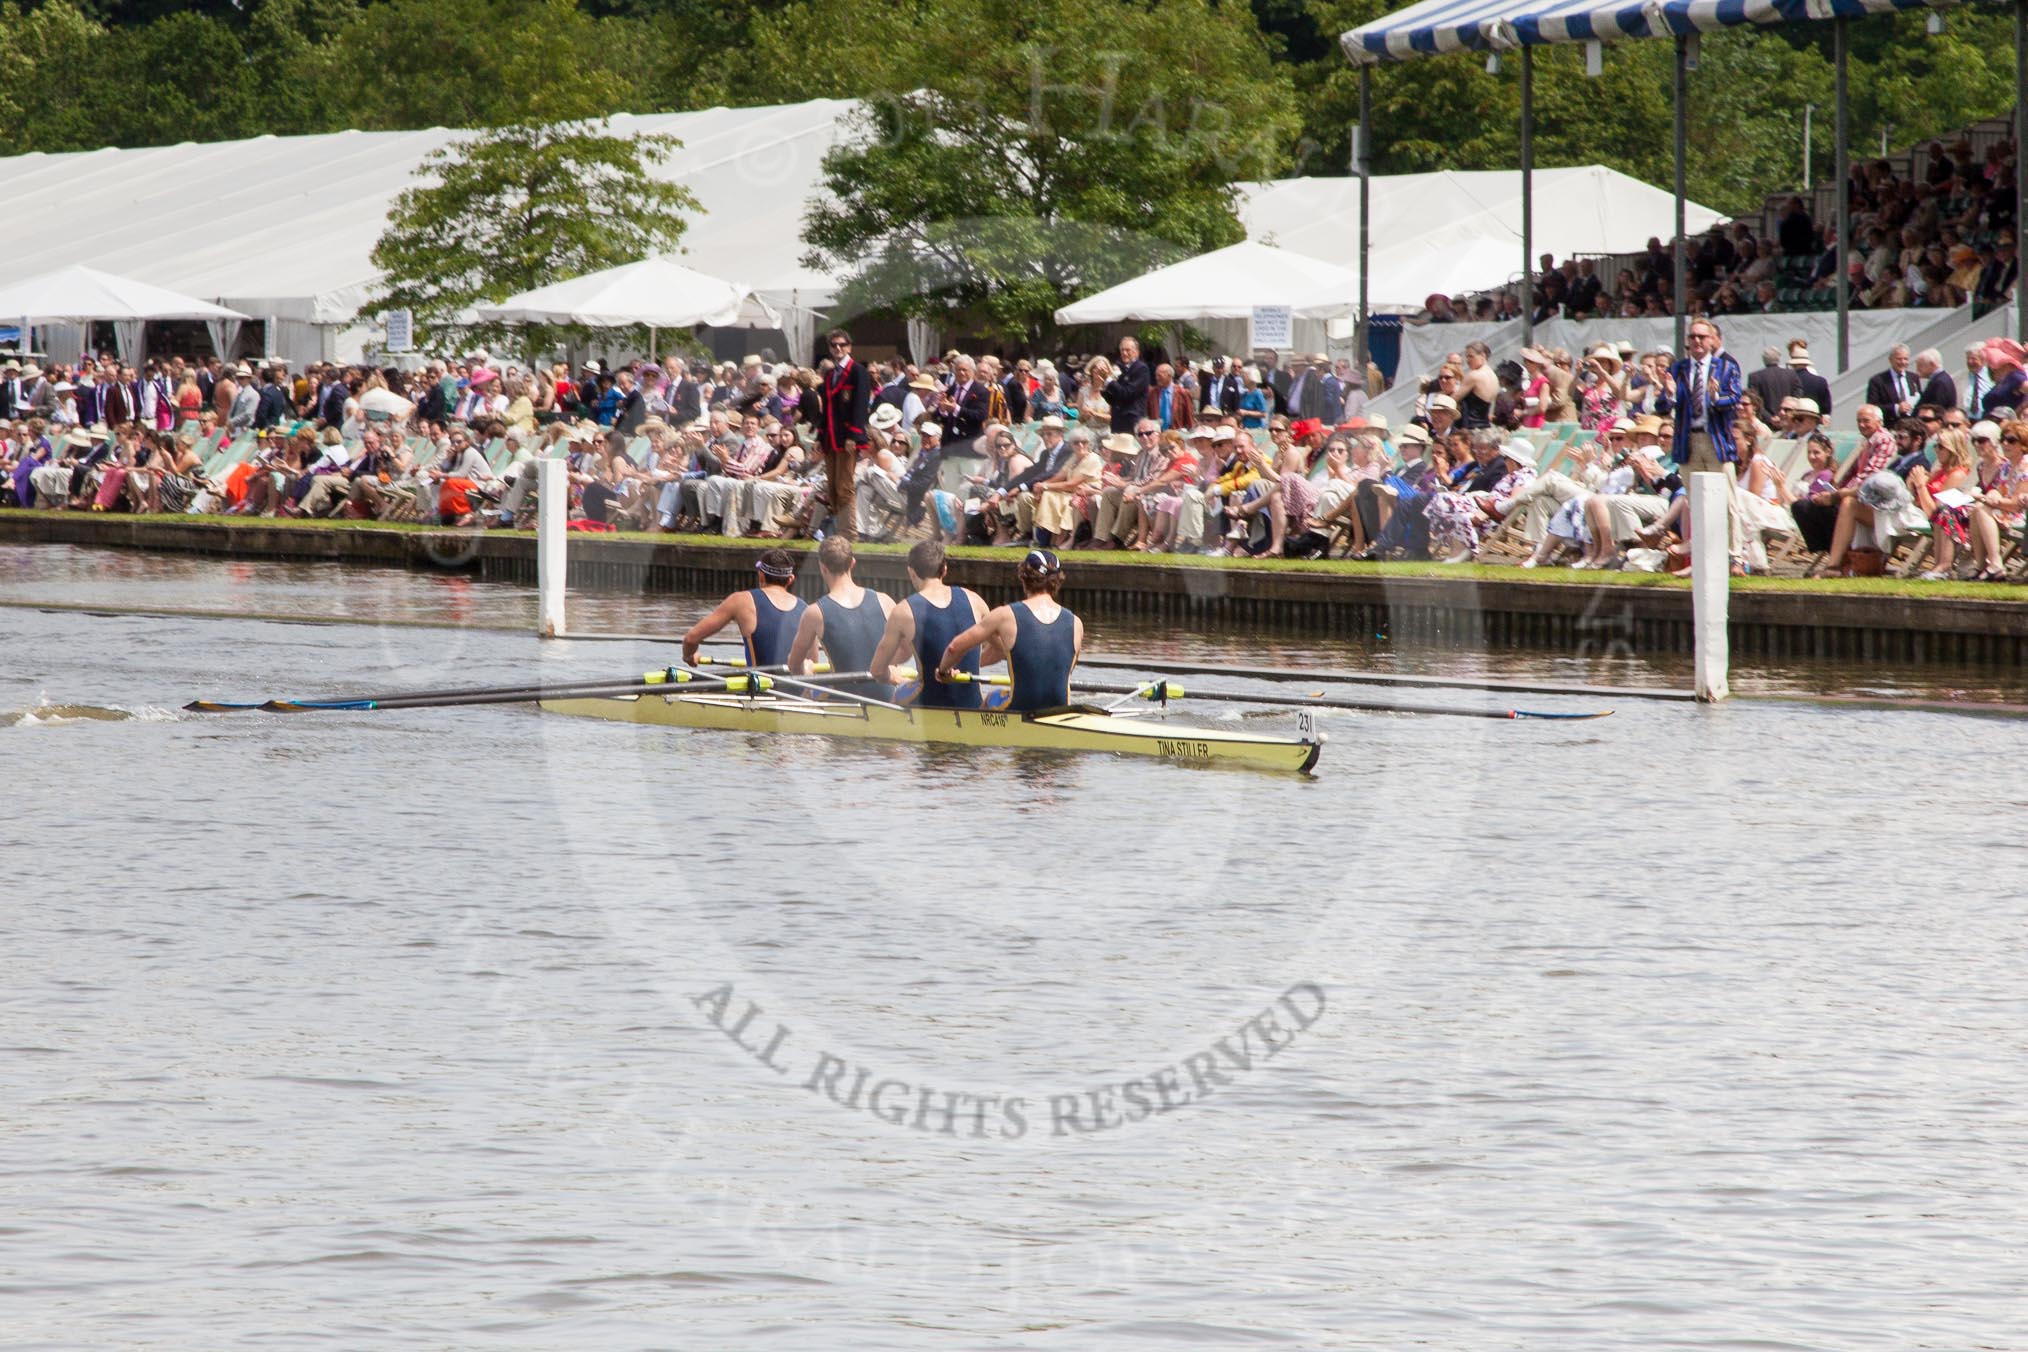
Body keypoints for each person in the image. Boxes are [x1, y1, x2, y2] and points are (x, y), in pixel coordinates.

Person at [936, 549, 1085, 714]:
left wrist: (943, 671)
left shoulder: (1005, 616)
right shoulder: (1076, 623)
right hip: (1060, 710)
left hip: (1019, 708)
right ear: (1057, 581)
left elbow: (954, 647)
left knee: (992, 696)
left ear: (1022, 577)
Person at [870, 540, 993, 708]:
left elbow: (877, 670)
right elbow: (1000, 648)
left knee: (898, 692)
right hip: (972, 704)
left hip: (928, 704)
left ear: (911, 572)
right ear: (944, 569)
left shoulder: (903, 611)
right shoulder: (975, 601)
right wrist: (970, 663)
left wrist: (894, 677)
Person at [785, 536, 896, 697]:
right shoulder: (885, 601)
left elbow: (794, 665)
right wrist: (889, 665)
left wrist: (806, 672)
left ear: (822, 567)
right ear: (852, 563)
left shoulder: (814, 612)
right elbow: (906, 649)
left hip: (843, 701)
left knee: (806, 694)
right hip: (885, 697)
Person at [681, 548, 808, 668]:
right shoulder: (806, 610)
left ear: (761, 576)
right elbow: (812, 664)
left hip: (760, 689)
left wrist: (689, 656)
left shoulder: (741, 600)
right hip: (797, 689)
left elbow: (691, 639)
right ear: (790, 580)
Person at [817, 328, 871, 539]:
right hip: (830, 437)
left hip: (847, 437)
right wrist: (820, 436)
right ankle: (839, 529)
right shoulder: (830, 374)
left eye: (842, 345)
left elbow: (860, 406)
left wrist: (854, 436)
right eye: (834, 345)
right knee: (831, 486)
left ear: (849, 347)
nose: (838, 348)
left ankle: (849, 532)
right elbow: (826, 410)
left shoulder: (858, 371)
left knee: (845, 486)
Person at [1865, 345, 1923, 421]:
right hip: (1890, 425)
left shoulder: (1914, 378)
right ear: (1890, 360)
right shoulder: (1877, 380)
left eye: (1906, 359)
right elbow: (1872, 407)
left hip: (1912, 424)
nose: (1903, 362)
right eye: (1899, 359)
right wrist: (1896, 408)